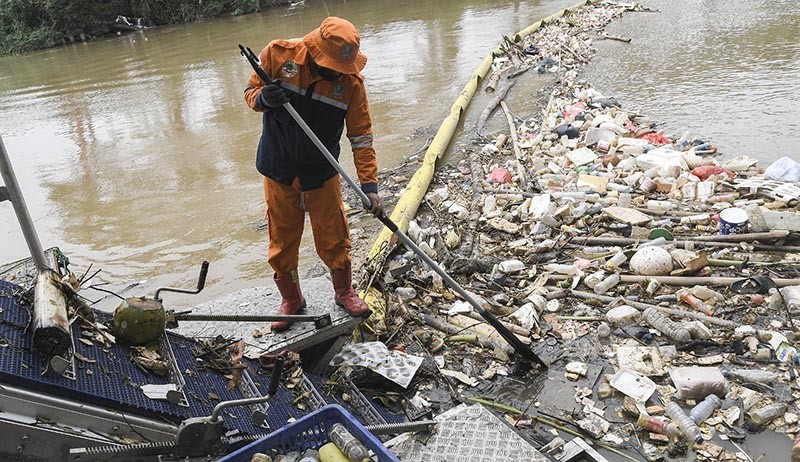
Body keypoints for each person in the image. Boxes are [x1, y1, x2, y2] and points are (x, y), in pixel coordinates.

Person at [244, 17, 381, 332]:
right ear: (317, 51)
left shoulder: (351, 85)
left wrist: (369, 186)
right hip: (279, 168)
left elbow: (361, 138)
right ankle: (291, 299)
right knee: (282, 241)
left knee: (334, 236)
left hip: (321, 171)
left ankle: (344, 291)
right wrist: (265, 98)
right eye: (333, 65)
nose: (338, 72)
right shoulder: (279, 56)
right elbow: (251, 93)